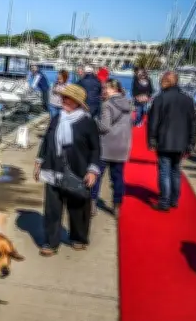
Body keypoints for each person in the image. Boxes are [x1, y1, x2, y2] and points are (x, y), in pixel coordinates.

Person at [34, 84, 101, 256]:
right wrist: (39, 161)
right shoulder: (57, 118)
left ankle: (78, 238)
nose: (64, 100)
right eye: (63, 97)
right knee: (52, 209)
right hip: (53, 169)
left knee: (78, 208)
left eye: (68, 98)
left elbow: (95, 148)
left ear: (77, 102)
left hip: (78, 170)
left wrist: (92, 170)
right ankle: (51, 242)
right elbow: (47, 141)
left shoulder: (87, 122)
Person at [147, 71, 196, 211]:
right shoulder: (187, 100)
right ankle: (174, 199)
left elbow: (153, 122)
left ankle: (164, 201)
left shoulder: (160, 99)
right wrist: (192, 142)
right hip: (181, 142)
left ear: (166, 81)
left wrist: (151, 140)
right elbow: (193, 123)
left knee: (165, 171)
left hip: (164, 141)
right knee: (175, 171)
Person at [91, 79, 133, 217]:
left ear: (114, 89)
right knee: (118, 177)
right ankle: (117, 205)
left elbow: (104, 127)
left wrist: (94, 121)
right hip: (122, 145)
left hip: (107, 145)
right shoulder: (128, 103)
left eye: (106, 88)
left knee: (96, 174)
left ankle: (92, 202)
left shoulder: (107, 104)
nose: (104, 91)